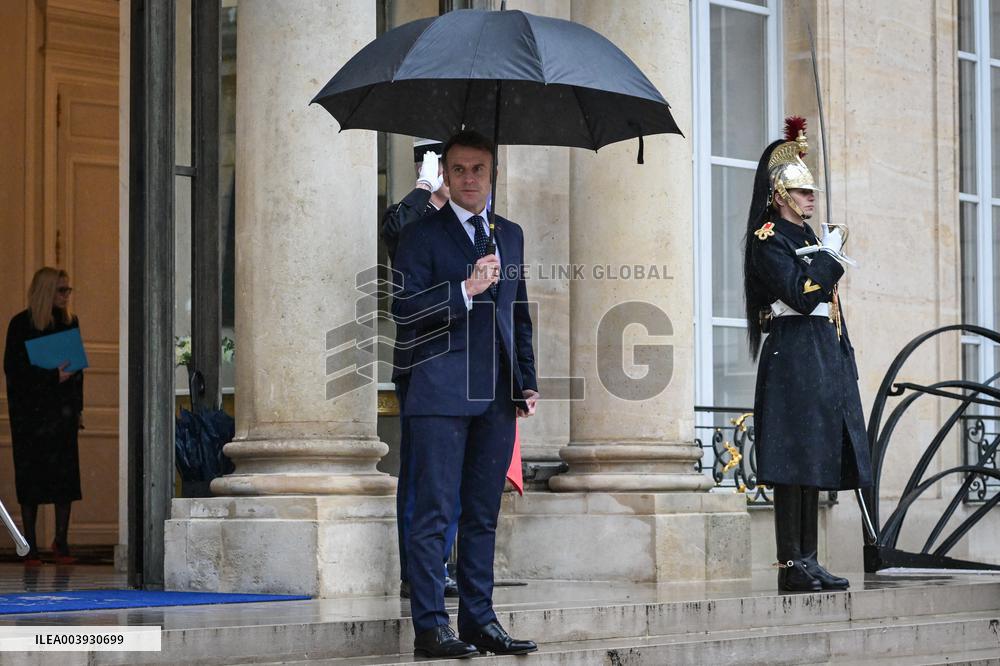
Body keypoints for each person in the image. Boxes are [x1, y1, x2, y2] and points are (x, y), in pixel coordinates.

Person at [392, 131, 538, 658]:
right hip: (437, 391)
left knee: (482, 514)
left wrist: (527, 379)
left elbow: (518, 312)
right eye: (459, 170)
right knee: (434, 514)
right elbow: (403, 311)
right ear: (446, 177)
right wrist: (465, 290)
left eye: (478, 169)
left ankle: (479, 620)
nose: (469, 178)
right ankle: (431, 626)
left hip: (496, 394)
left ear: (492, 173)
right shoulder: (420, 235)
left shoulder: (509, 235)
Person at [743, 117, 872, 593]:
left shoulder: (805, 237)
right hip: (792, 353)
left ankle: (810, 558)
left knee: (814, 453)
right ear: (780, 195)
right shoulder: (769, 237)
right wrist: (832, 258)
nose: (810, 198)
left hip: (820, 352)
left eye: (811, 191)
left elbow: (826, 301)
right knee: (792, 457)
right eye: (801, 192)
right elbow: (800, 294)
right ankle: (790, 564)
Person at [380, 139, 460, 600]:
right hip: (423, 361)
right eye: (446, 168)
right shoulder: (414, 217)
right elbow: (396, 230)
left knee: (454, 478)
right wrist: (423, 190)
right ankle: (418, 570)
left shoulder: (471, 223)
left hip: (466, 366)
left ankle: (440, 564)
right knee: (420, 474)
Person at [3, 267, 84, 566]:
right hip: (30, 416)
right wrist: (52, 377)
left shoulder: (68, 323)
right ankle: (30, 546)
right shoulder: (21, 325)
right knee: (31, 480)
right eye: (61, 290)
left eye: (67, 290)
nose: (65, 296)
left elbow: (78, 373)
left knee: (65, 479)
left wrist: (78, 409)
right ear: (46, 292)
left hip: (62, 413)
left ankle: (60, 542)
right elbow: (14, 371)